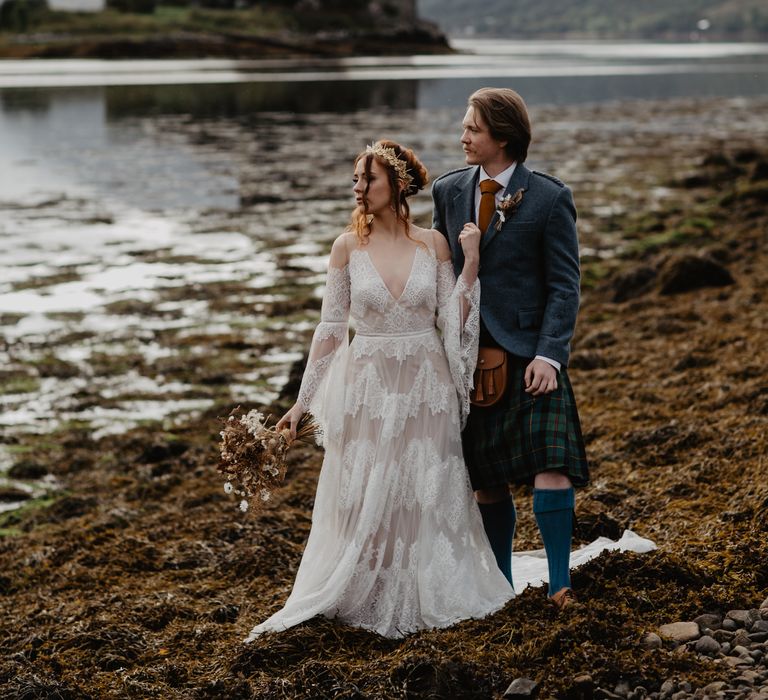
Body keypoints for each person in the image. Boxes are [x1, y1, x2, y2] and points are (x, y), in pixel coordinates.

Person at [244, 140, 514, 641]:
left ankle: (422, 584)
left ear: (398, 185)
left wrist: (471, 263)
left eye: (368, 179)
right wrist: (303, 403)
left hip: (424, 383)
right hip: (367, 384)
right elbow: (329, 329)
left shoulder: (432, 244)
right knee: (364, 489)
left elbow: (452, 321)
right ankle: (364, 586)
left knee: (421, 490)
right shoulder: (347, 247)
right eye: (356, 179)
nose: (358, 188)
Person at [431, 88, 590, 610]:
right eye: (464, 127)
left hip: (530, 355)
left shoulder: (548, 197)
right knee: (488, 480)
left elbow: (565, 285)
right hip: (469, 356)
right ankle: (499, 586)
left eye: (472, 129)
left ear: (502, 136)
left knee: (553, 464)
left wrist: (550, 354)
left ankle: (560, 583)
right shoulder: (448, 191)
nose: (463, 137)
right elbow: (437, 276)